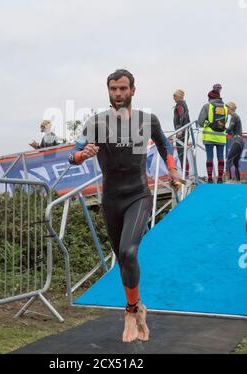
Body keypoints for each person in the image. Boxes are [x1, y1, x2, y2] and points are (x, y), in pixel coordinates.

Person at [69, 69, 182, 343]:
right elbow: (72, 155)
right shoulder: (96, 123)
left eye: (122, 88)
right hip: (111, 199)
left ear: (133, 90)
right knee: (122, 260)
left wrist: (172, 170)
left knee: (129, 251)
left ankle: (130, 312)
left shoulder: (147, 120)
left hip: (138, 195)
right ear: (108, 91)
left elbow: (166, 146)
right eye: (113, 89)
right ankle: (139, 306)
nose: (118, 94)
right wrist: (84, 154)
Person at [198, 84, 228, 183]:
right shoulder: (225, 107)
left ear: (210, 97)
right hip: (221, 137)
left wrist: (207, 123)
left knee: (209, 157)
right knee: (220, 157)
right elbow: (225, 121)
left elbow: (200, 122)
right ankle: (220, 179)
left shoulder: (207, 106)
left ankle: (210, 179)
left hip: (209, 136)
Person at [173, 89, 190, 177]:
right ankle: (185, 173)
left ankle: (185, 174)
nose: (173, 98)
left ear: (176, 96)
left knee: (181, 154)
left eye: (174, 96)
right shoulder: (184, 104)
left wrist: (179, 130)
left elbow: (182, 117)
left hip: (182, 133)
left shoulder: (180, 105)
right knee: (183, 154)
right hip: (184, 132)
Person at [225, 102, 244, 182]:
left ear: (230, 108)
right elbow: (230, 132)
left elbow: (229, 129)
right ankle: (238, 181)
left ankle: (232, 180)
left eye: (226, 108)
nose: (225, 110)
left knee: (229, 159)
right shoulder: (235, 117)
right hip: (240, 141)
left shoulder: (234, 116)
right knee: (235, 162)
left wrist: (221, 126)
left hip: (237, 141)